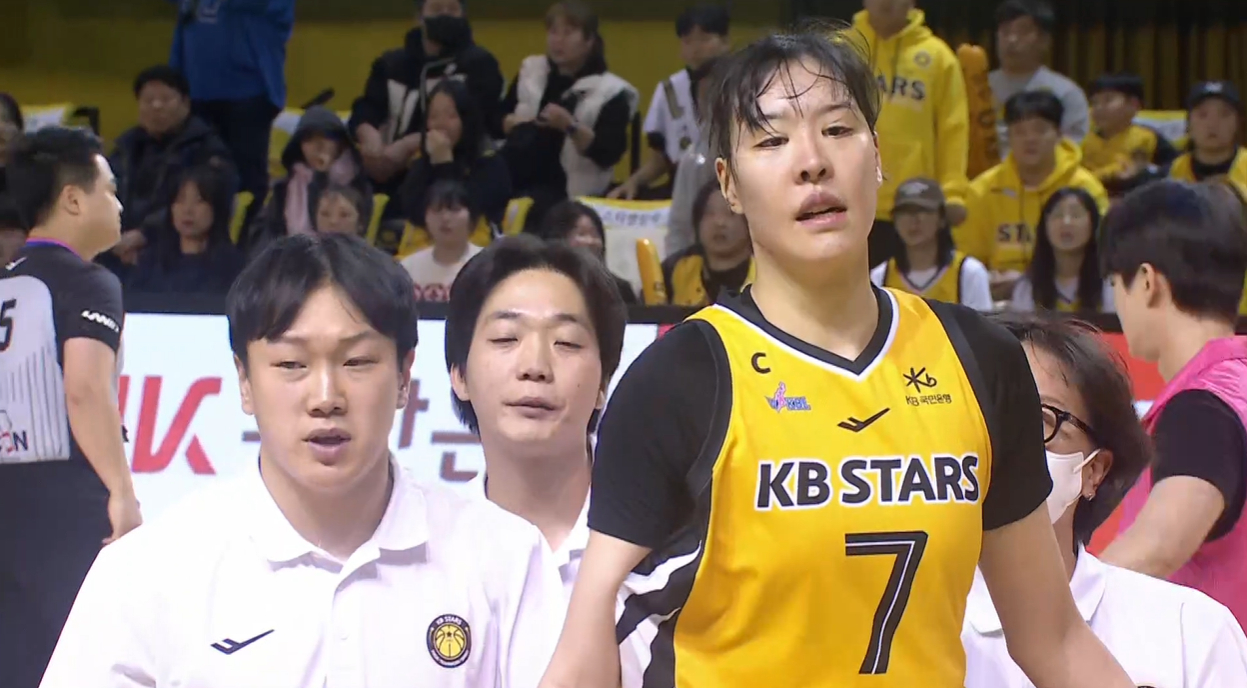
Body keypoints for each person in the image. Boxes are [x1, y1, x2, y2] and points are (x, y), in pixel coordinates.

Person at [538, 24, 1133, 688]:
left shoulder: (979, 360)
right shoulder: (679, 379)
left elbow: (1054, 640)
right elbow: (586, 649)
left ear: (877, 156)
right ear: (728, 185)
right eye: (771, 140)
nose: (811, 162)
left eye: (837, 129)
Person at [38, 233, 561, 688]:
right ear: (244, 380)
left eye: (357, 361)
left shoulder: (505, 557)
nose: (326, 397)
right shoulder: (149, 570)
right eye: (291, 364)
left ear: (404, 376)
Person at [963, 312, 1247, 688]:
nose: (1001, 443)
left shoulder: (1190, 633)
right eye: (979, 415)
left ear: (1094, 470)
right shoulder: (903, 626)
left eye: (1040, 420)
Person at [445, 234, 658, 685]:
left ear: (603, 384)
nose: (535, 366)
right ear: (458, 374)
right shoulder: (427, 552)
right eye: (506, 338)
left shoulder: (669, 544)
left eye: (566, 343)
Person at [0, 127, 141, 688]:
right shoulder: (89, 283)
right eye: (110, 190)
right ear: (74, 199)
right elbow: (85, 390)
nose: (119, 203)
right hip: (65, 500)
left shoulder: (5, 282)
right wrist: (121, 492)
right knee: (82, 659)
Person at [1097, 180, 1247, 630]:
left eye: (1115, 283)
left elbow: (1159, 546)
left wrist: (1054, 617)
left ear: (1147, 282)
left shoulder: (1203, 407)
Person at [500, 1, 639, 230]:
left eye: (568, 33)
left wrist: (570, 126)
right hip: (514, 180)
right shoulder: (532, 72)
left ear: (589, 40)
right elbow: (497, 119)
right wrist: (510, 123)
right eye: (553, 32)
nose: (558, 40)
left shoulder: (610, 91)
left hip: (569, 195)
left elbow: (608, 154)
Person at [957, 91, 1108, 301]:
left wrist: (1026, 283)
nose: (1030, 139)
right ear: (1008, 137)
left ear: (1059, 134)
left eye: (1040, 130)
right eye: (1020, 132)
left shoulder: (1085, 188)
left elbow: (1100, 257)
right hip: (996, 303)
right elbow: (966, 259)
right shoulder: (982, 190)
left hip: (1067, 301)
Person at [853, 0, 970, 267]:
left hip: (917, 208)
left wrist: (953, 193)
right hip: (854, 204)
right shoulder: (841, 49)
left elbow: (953, 130)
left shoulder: (939, 57)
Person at [350, 0, 505, 195]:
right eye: (437, 9)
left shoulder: (481, 65)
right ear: (419, 16)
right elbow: (367, 108)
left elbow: (477, 123)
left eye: (452, 10)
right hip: (382, 172)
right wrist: (368, 136)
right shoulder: (390, 65)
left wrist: (408, 146)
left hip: (449, 174)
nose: (445, 15)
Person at [105, 65, 235, 272]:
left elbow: (211, 205)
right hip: (117, 244)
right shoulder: (125, 147)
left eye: (166, 99)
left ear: (185, 103)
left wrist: (145, 234)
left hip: (176, 248)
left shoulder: (206, 149)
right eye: (148, 100)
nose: (156, 106)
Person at [170, 0, 294, 203]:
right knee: (198, 180)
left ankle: (250, 223)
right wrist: (175, 83)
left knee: (248, 182)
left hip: (249, 95)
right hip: (197, 93)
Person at [610, 4, 731, 200]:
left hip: (730, 188)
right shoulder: (670, 89)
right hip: (681, 190)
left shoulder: (743, 85)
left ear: (725, 42)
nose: (696, 48)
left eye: (704, 39)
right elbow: (660, 161)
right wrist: (633, 182)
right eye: (688, 41)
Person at [397, 79, 512, 241]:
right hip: (423, 248)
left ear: (466, 119)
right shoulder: (423, 162)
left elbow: (459, 213)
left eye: (451, 116)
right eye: (433, 116)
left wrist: (444, 165)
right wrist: (432, 165)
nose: (440, 124)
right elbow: (412, 210)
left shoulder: (490, 163)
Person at [247, 106, 373, 252]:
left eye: (326, 137)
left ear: (341, 142)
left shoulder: (357, 183)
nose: (318, 146)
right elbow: (267, 235)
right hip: (290, 259)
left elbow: (360, 233)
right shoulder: (285, 188)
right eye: (309, 139)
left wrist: (323, 175)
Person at [869, 177, 991, 309]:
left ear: (941, 218)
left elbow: (980, 321)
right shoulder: (880, 276)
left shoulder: (969, 272)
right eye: (904, 212)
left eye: (923, 210)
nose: (914, 220)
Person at [989, 0, 1090, 155]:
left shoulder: (1065, 93)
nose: (1012, 40)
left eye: (1022, 32)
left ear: (1044, 40)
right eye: (1005, 31)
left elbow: (1072, 149)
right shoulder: (978, 85)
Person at [127, 165, 245, 295]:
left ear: (216, 207)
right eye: (180, 200)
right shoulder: (151, 262)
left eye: (199, 201)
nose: (187, 210)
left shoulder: (233, 267)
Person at [1010, 187, 1112, 313]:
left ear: (1093, 224)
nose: (1066, 222)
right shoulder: (1027, 287)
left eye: (1076, 215)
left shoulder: (1111, 285)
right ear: (1044, 227)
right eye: (1058, 215)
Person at [1081, 73, 1177, 198]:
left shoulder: (1147, 137)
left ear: (1133, 105)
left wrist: (1143, 174)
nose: (1098, 108)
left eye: (1108, 100)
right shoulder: (1081, 140)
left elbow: (1175, 166)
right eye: (1094, 102)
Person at [663, 178, 754, 306]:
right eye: (709, 213)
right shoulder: (674, 269)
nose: (719, 222)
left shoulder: (770, 272)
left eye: (731, 213)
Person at [539, 199, 638, 304]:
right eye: (581, 234)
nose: (590, 241)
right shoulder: (539, 285)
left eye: (595, 234)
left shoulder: (619, 288)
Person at [400, 179, 482, 302]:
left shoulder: (486, 266)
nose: (445, 218)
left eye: (455, 209)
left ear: (472, 217)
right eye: (436, 210)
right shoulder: (408, 268)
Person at [1168, 81, 1247, 186]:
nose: (1213, 124)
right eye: (1203, 115)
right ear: (1188, 124)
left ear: (1238, 122)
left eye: (1224, 114)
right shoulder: (1173, 172)